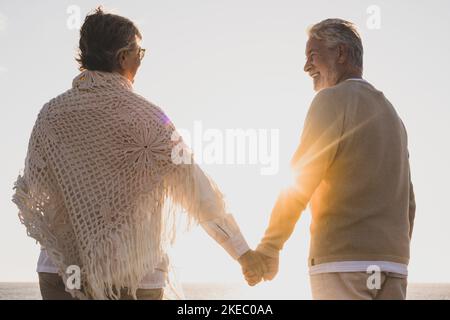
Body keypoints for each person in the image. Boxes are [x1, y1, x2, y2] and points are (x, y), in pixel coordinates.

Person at [12, 7, 265, 300]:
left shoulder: (51, 115)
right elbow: (197, 192)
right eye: (139, 53)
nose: (140, 60)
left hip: (60, 275)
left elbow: (37, 190)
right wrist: (243, 253)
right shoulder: (148, 119)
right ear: (122, 57)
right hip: (131, 279)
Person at [246, 19, 416, 300]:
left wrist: (269, 247)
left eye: (312, 55)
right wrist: (393, 252)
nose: (306, 67)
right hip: (393, 267)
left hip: (343, 266)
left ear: (340, 54)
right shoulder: (393, 116)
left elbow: (302, 179)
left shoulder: (331, 100)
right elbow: (408, 202)